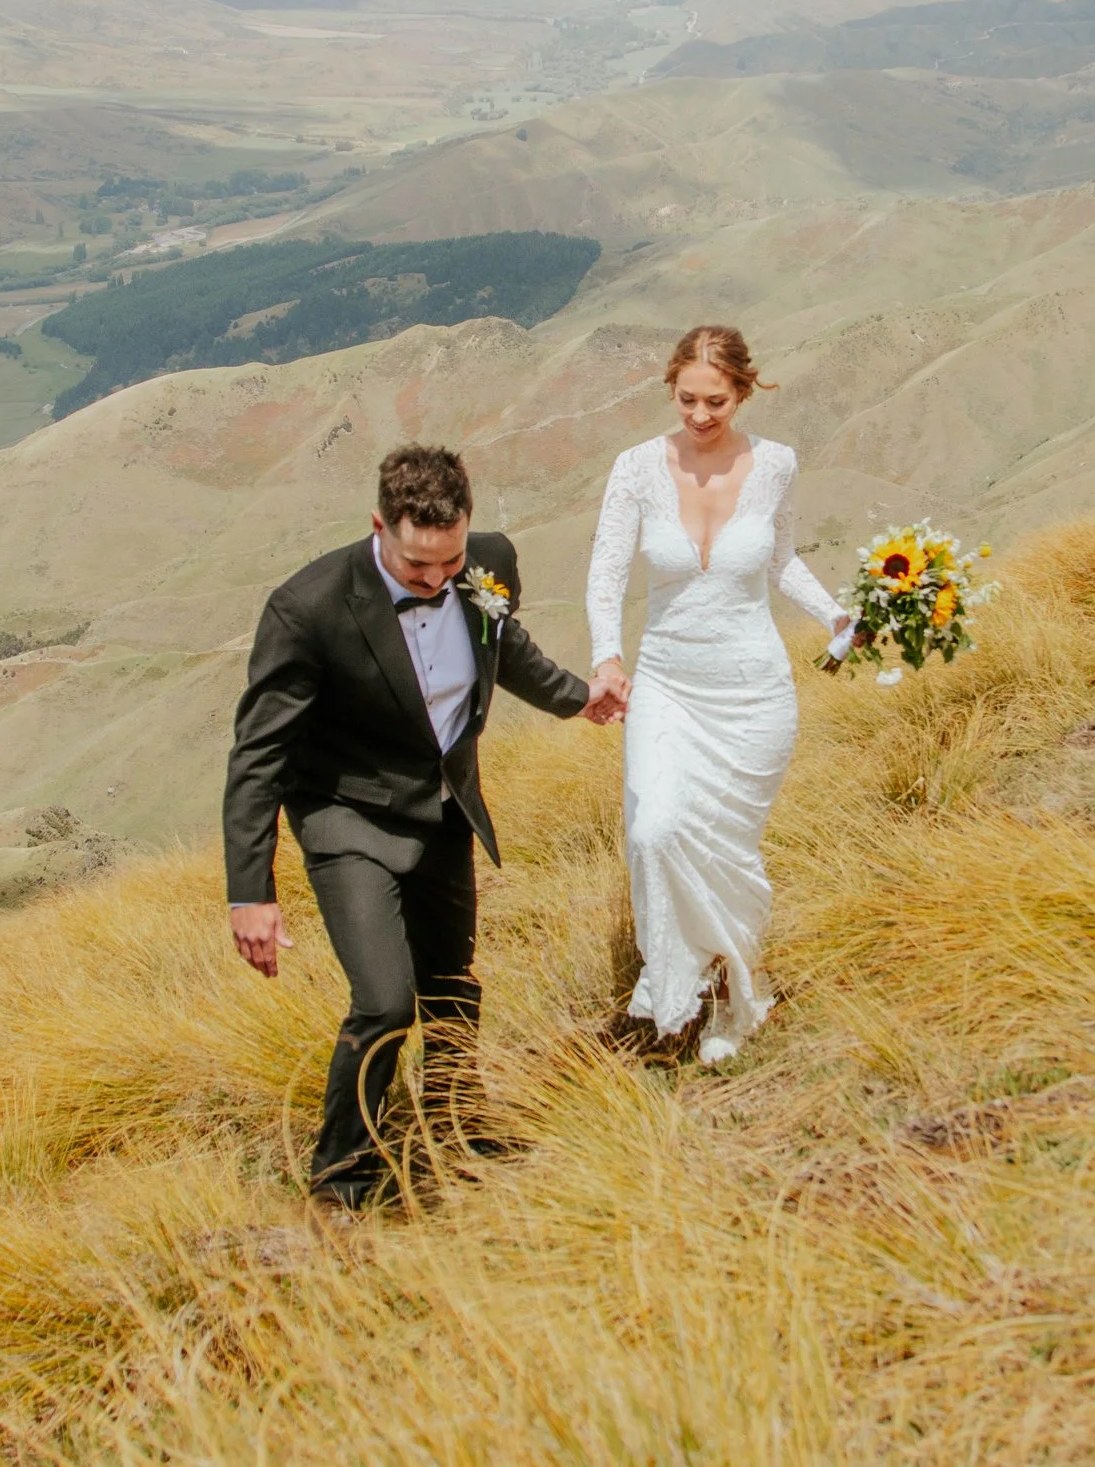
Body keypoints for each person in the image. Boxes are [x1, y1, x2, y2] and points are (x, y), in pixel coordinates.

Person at [225, 444, 629, 1211]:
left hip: (445, 806)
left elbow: (504, 648)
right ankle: (341, 1178)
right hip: (347, 815)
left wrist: (579, 697)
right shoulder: (305, 607)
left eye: (450, 563)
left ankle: (455, 1120)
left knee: (451, 984)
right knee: (384, 1001)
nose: (438, 578)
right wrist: (250, 889)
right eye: (418, 566)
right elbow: (258, 755)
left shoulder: (489, 561)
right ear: (380, 524)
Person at [586, 327, 850, 1064]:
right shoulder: (636, 468)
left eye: (717, 400)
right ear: (671, 387)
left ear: (744, 389)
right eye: (687, 399)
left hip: (753, 690)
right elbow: (607, 570)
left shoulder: (776, 466)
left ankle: (728, 987)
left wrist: (833, 613)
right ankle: (673, 979)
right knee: (655, 829)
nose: (701, 414)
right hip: (667, 681)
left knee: (727, 848)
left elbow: (783, 559)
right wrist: (606, 654)